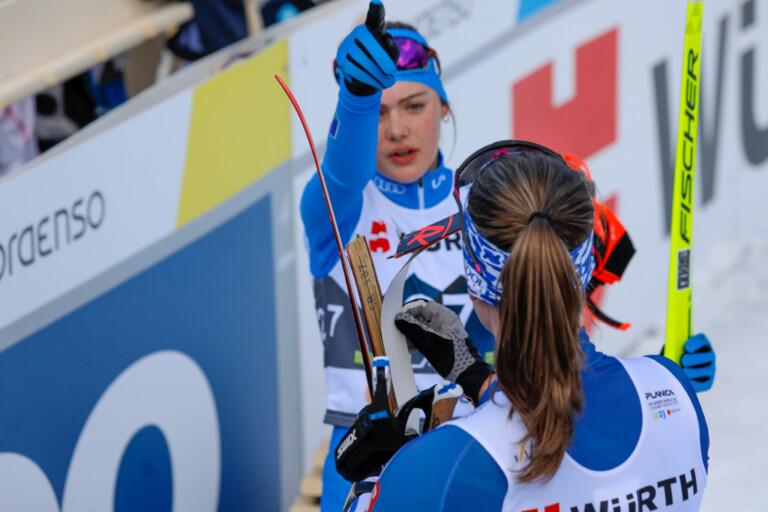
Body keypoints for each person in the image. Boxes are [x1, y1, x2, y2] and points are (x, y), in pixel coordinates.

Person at [357, 141, 709, 511]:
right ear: (586, 270)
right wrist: (476, 379)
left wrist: (381, 472)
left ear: (475, 285)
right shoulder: (674, 391)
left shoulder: (443, 464)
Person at [299, 2, 494, 509]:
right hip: (366, 453)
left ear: (443, 107)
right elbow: (342, 172)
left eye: (413, 105)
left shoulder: (485, 203)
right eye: (381, 112)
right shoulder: (339, 207)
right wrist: (355, 102)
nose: (397, 129)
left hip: (477, 446)